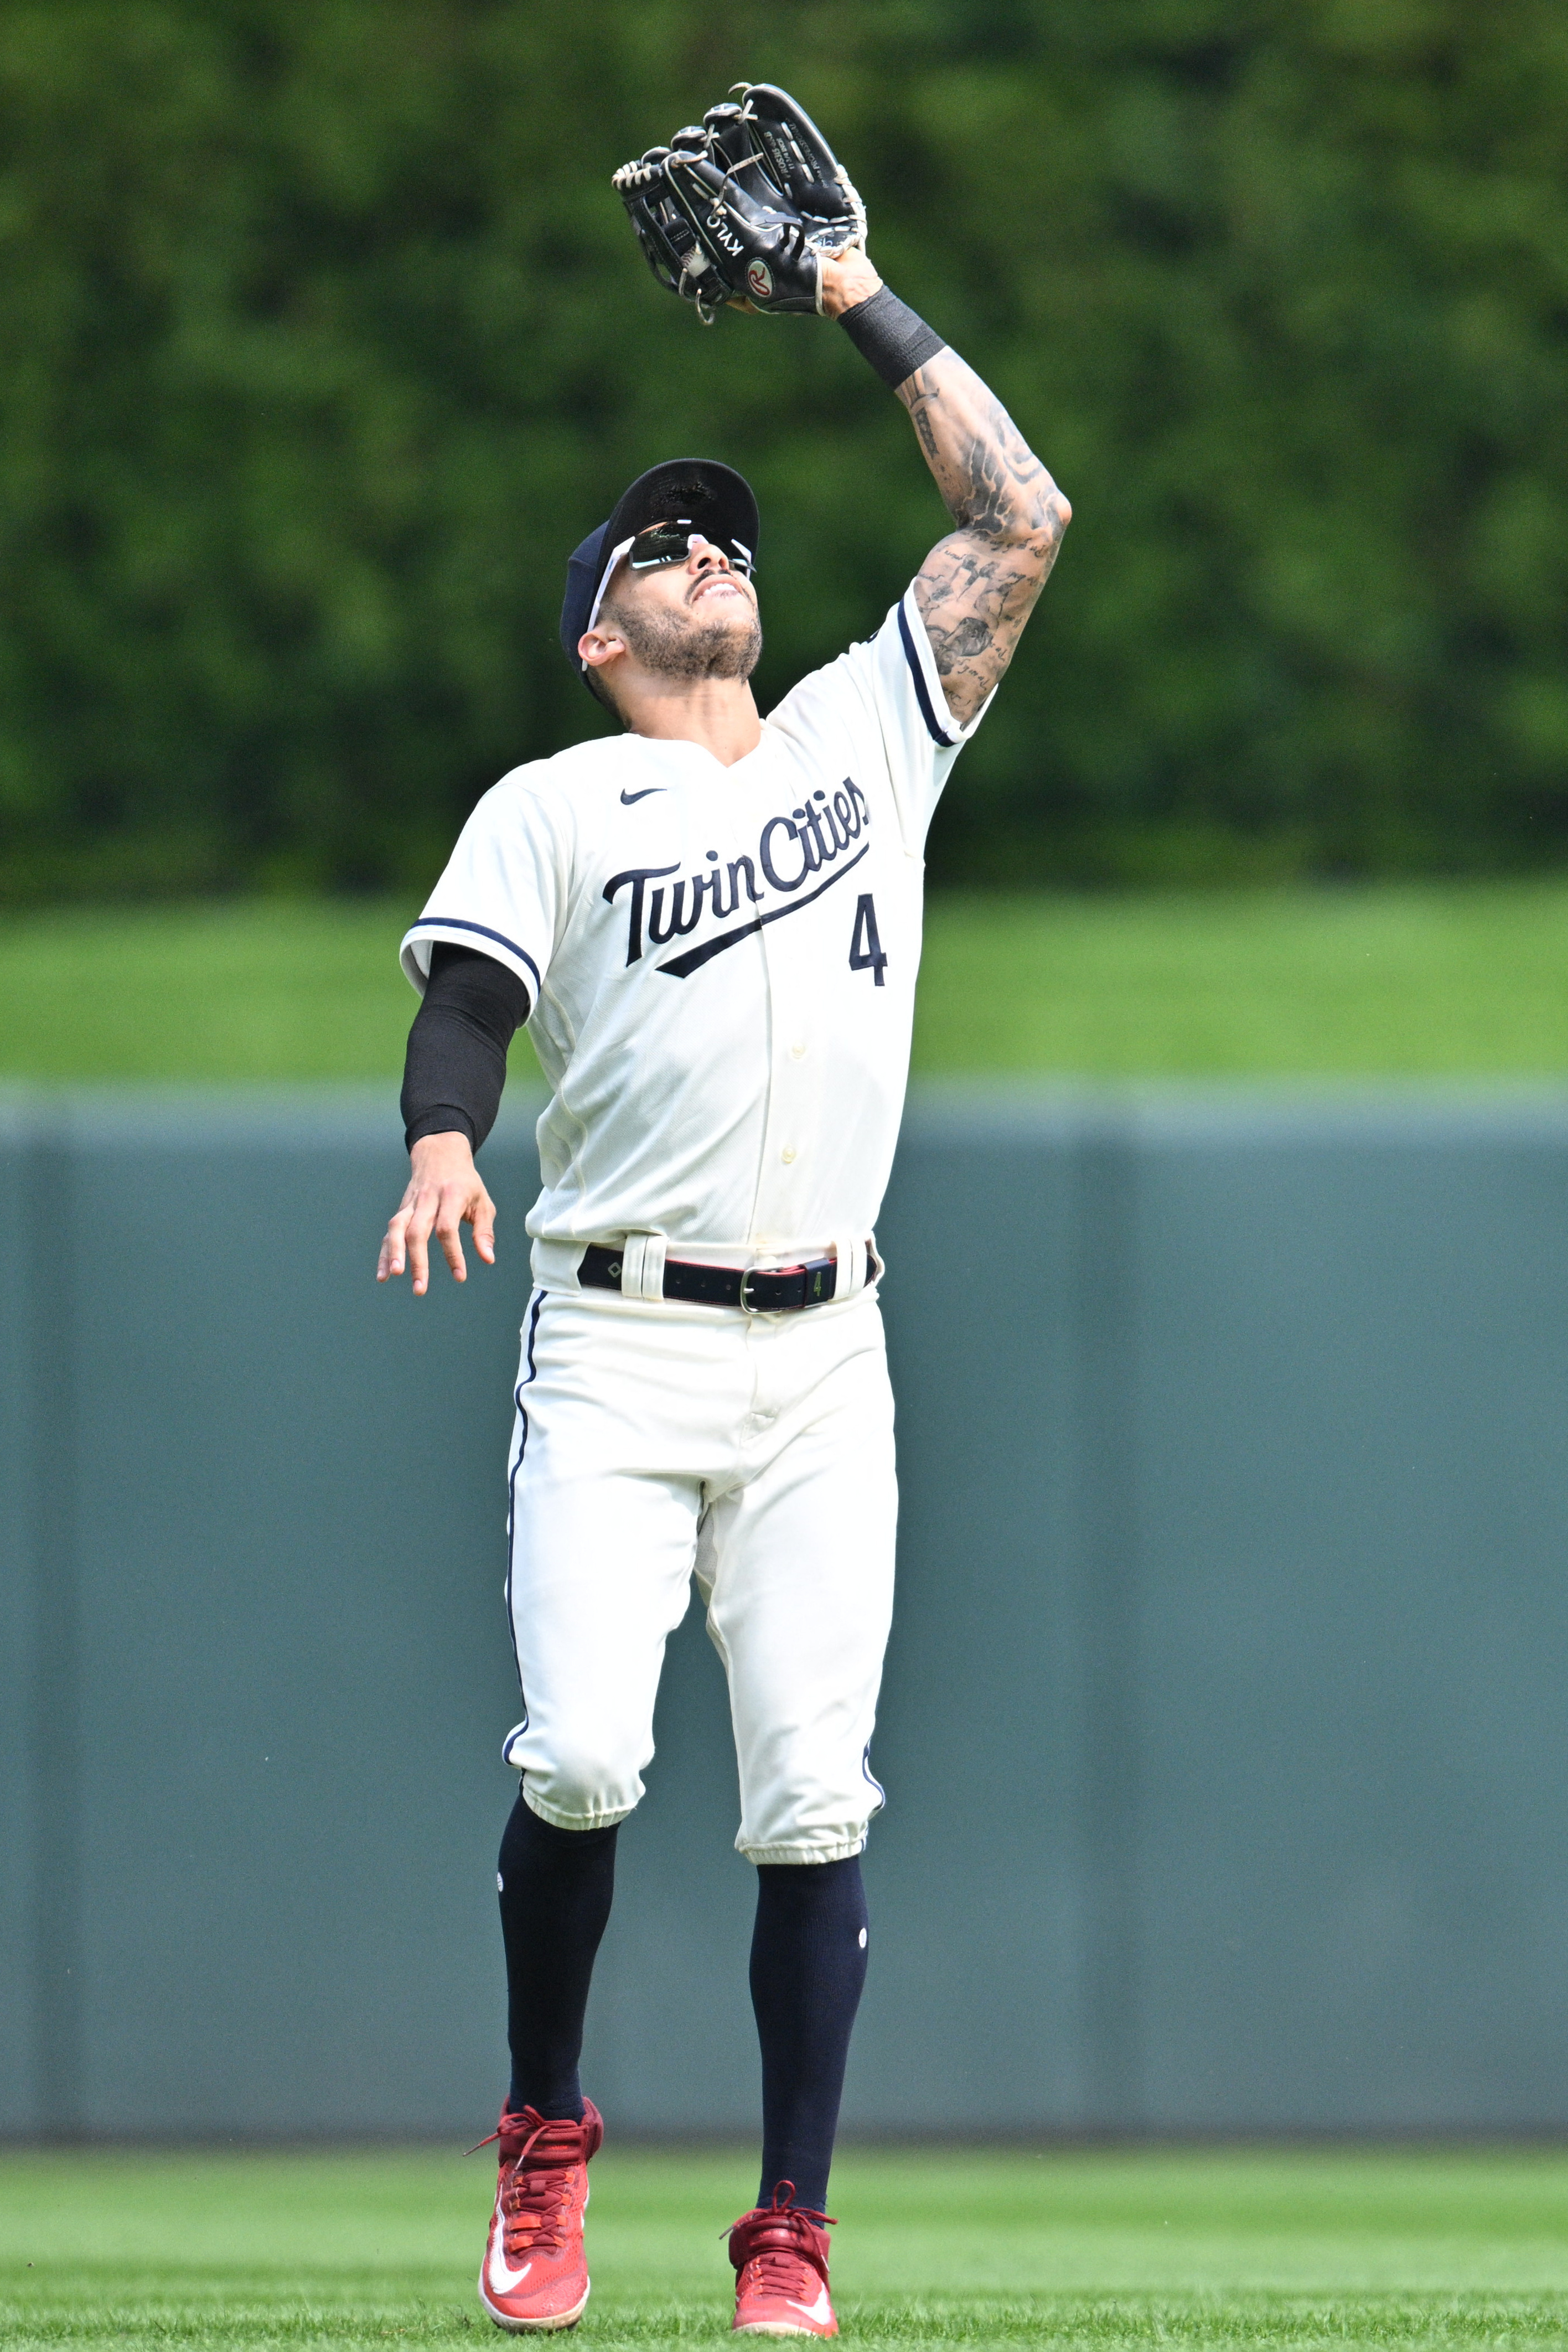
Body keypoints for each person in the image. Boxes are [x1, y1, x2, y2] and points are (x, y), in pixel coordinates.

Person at [377, 245, 1069, 2337]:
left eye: (726, 535)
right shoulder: (556, 801)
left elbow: (1019, 518)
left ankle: (789, 2227)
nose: (708, 549)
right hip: (613, 1337)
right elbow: (473, 999)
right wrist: (435, 1136)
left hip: (820, 1354)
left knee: (812, 1788)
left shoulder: (876, 726)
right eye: (666, 543)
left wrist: (854, 292)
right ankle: (543, 2129)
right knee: (583, 1756)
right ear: (602, 625)